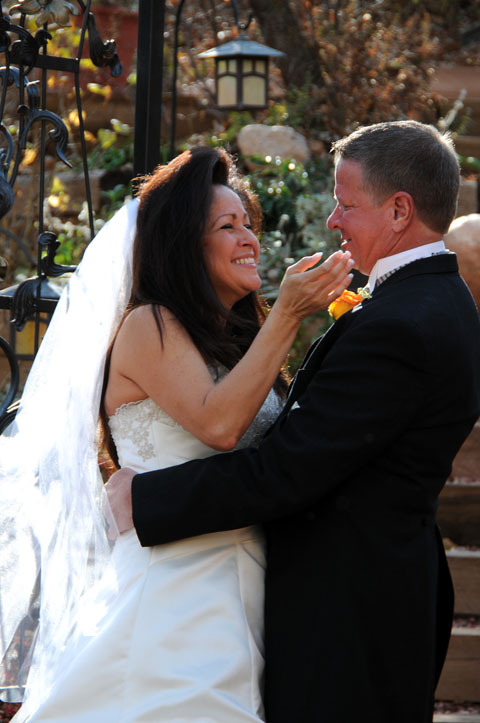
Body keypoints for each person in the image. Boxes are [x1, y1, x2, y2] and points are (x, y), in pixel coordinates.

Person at [107, 121, 480, 723]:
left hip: (348, 611)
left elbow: (287, 470)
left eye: (345, 204)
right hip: (255, 597)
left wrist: (145, 498)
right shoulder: (428, 304)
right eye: (226, 226)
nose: (333, 220)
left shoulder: (403, 321)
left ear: (399, 211)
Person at [0, 146, 353, 722]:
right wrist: (289, 314)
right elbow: (219, 425)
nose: (249, 238)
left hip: (247, 586)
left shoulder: (238, 341)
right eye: (227, 226)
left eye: (248, 223)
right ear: (184, 246)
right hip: (174, 594)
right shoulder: (150, 324)